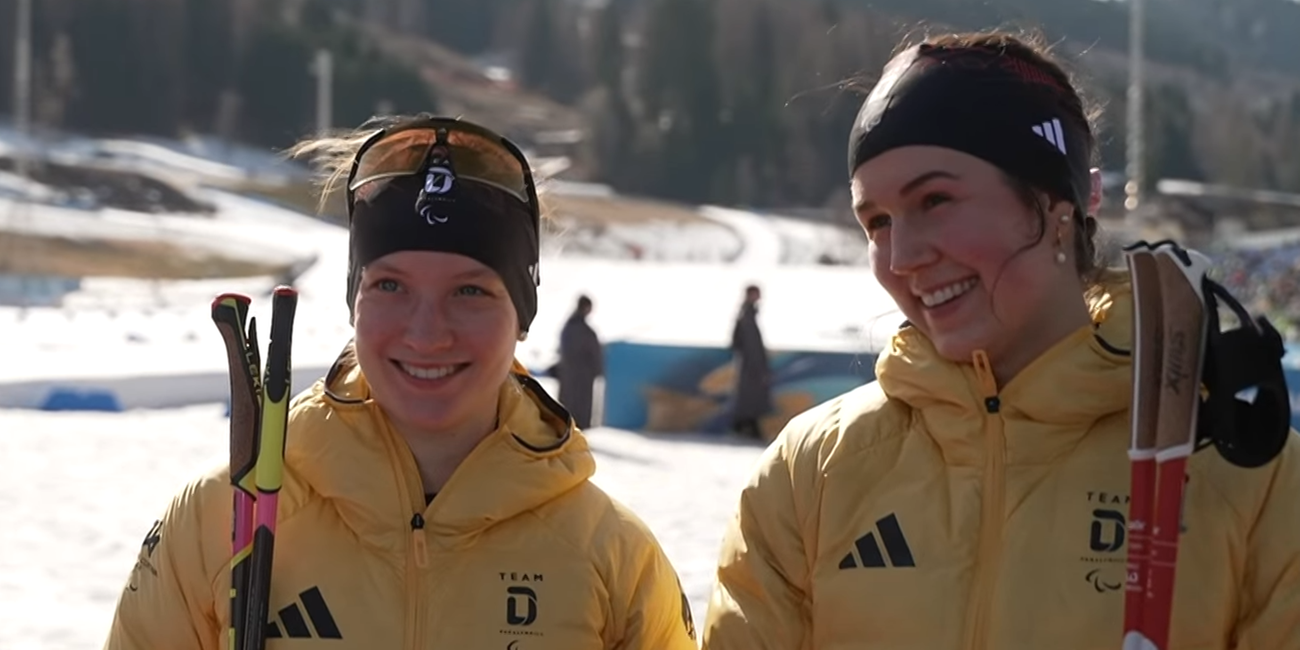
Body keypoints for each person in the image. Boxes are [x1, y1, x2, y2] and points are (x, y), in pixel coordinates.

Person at [702, 30, 1300, 649]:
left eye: (935, 199)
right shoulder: (812, 471)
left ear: (1055, 206)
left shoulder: (1249, 477)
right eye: (876, 221)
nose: (901, 255)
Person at [103, 115, 698, 650]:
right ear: (354, 302)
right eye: (389, 286)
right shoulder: (220, 519)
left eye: (470, 291)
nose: (426, 332)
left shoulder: (612, 559)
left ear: (522, 314)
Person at [730, 284, 771, 440]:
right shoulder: (747, 315)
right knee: (749, 397)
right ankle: (745, 426)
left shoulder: (748, 313)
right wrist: (757, 365)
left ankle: (746, 426)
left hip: (751, 364)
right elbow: (747, 343)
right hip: (750, 365)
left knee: (750, 397)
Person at [558, 294, 604, 429]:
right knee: (580, 409)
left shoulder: (568, 327)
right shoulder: (585, 331)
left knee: (567, 406)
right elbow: (594, 353)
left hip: (567, 374)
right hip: (583, 376)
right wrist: (597, 370)